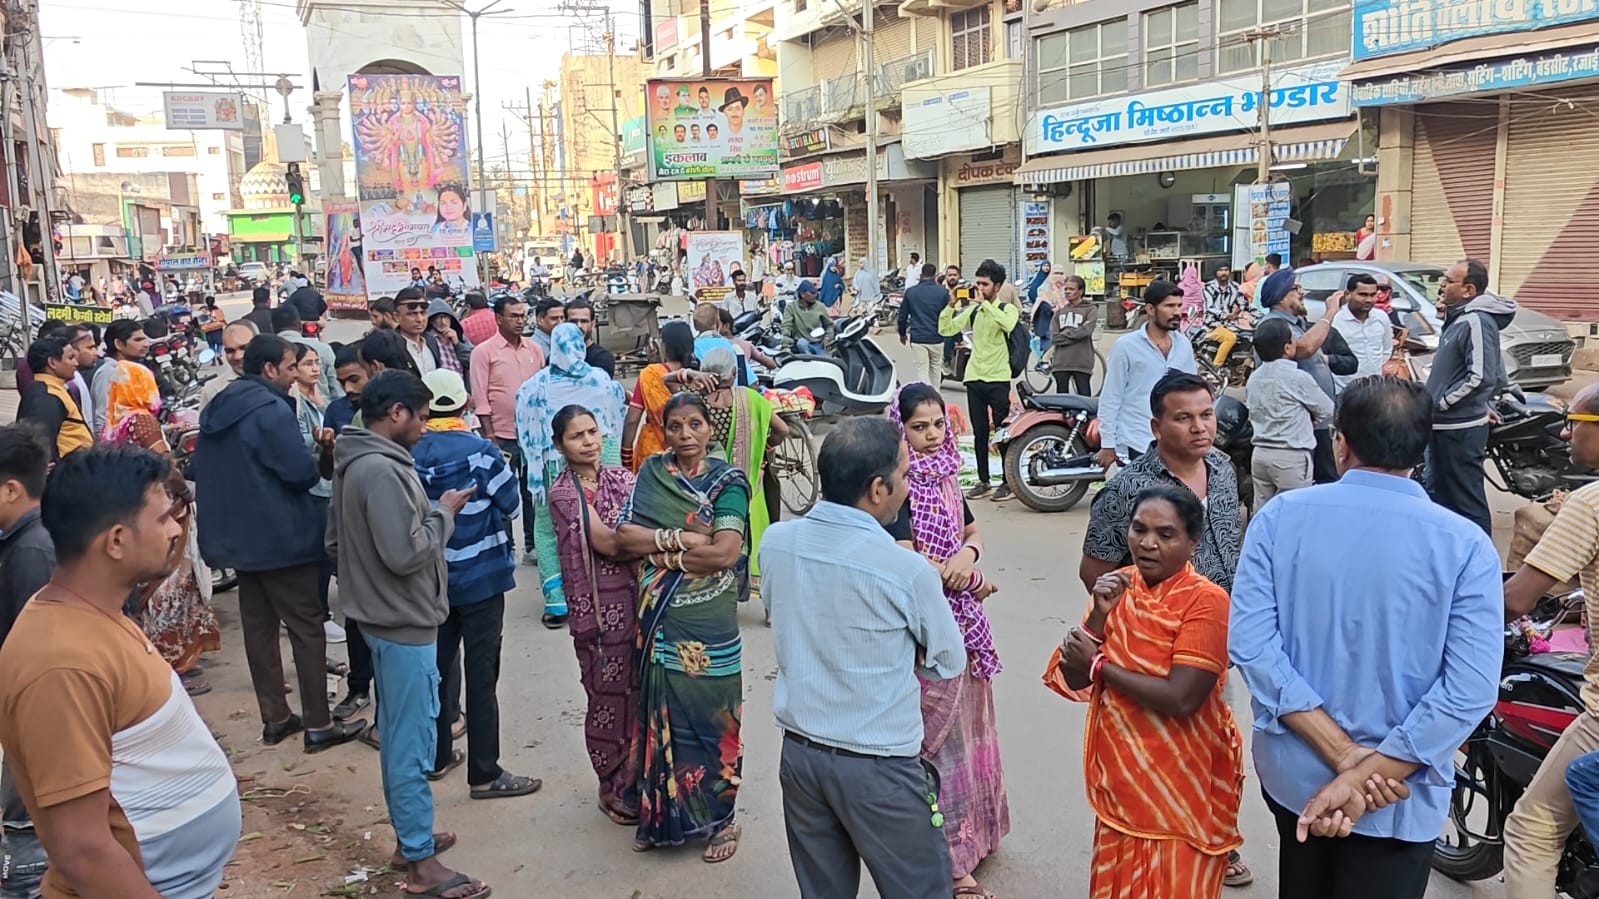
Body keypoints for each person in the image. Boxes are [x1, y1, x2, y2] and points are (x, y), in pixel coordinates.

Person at [1229, 376, 1501, 899]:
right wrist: (1364, 770)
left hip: (1296, 774)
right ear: (1421, 451)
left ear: (1340, 442)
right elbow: (1468, 689)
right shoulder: (1465, 545)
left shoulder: (1280, 518)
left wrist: (1343, 761)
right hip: (1398, 789)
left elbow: (1253, 645)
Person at [0, 445, 242, 898]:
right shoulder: (60, 663)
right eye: (162, 518)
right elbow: (83, 849)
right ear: (115, 541)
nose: (175, 529)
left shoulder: (97, 613)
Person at [760, 415, 966, 898]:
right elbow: (947, 660)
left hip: (802, 755)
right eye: (904, 474)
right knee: (920, 888)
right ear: (878, 489)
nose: (907, 485)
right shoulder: (906, 570)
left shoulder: (777, 543)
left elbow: (785, 611)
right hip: (880, 765)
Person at [326, 371, 490, 899]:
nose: (424, 427)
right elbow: (405, 553)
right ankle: (420, 864)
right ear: (396, 413)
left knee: (403, 732)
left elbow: (336, 542)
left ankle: (412, 839)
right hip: (403, 623)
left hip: (382, 618)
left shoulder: (356, 461)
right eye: (420, 416)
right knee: (412, 740)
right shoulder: (380, 470)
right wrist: (443, 513)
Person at [1048, 486, 1244, 898]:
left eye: (1166, 534)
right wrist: (1098, 618)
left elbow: (1182, 698)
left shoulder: (1207, 602)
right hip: (1122, 781)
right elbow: (1074, 674)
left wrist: (1100, 665)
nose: (1148, 543)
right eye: (1139, 529)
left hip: (1181, 783)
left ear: (1193, 543)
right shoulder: (1118, 588)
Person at [194, 335, 366, 752]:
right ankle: (319, 724)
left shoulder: (220, 404)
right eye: (290, 367)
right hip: (280, 536)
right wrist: (322, 450)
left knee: (260, 630)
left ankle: (275, 716)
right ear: (269, 369)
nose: (294, 376)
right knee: (307, 627)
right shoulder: (270, 407)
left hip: (239, 540)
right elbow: (299, 474)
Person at [612, 393, 748, 861]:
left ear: (711, 429)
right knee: (661, 711)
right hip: (660, 618)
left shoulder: (729, 481)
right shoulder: (653, 473)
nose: (686, 435)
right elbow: (622, 536)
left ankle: (721, 821)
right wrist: (681, 539)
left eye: (695, 424)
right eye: (675, 426)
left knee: (714, 715)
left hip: (709, 620)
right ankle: (662, 813)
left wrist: (658, 553)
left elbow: (725, 553)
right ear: (663, 430)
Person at [885, 383, 1009, 895]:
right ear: (901, 430)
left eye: (938, 424)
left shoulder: (948, 477)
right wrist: (962, 576)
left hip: (966, 623)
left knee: (972, 733)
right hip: (927, 632)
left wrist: (968, 560)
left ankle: (978, 834)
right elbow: (903, 556)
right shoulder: (898, 485)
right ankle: (953, 860)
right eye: (919, 427)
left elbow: (972, 533)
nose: (932, 435)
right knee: (937, 744)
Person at [411, 370, 542, 800]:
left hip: (433, 579)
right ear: (465, 402)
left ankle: (436, 757)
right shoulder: (483, 453)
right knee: (481, 678)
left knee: (436, 670)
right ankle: (485, 773)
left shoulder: (409, 453)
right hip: (483, 578)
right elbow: (509, 502)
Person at [1500, 380, 1599, 894]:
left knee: (1532, 827)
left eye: (1575, 424)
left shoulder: (1589, 504)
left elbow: (1518, 599)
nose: (1565, 433)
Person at [547, 404, 643, 825]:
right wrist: (652, 539)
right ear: (559, 444)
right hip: (601, 617)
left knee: (642, 695)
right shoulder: (564, 494)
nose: (588, 441)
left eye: (592, 432)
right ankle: (612, 786)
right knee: (608, 697)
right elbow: (607, 543)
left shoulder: (622, 479)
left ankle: (641, 781)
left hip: (640, 604)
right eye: (576, 435)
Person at [102, 359, 222, 691]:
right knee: (170, 589)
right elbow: (166, 467)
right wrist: (185, 493)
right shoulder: (143, 421)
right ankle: (173, 665)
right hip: (161, 511)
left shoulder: (117, 420)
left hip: (132, 511)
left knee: (148, 590)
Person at [1082, 372, 1242, 594]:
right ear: (1157, 428)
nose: (1199, 427)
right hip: (1160, 624)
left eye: (1206, 415)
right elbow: (1094, 575)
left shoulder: (1223, 471)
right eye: (1183, 418)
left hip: (1225, 618)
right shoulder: (1126, 490)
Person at [518, 322, 629, 629]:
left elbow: (524, 429)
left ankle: (557, 602)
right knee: (606, 521)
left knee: (548, 529)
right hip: (600, 460)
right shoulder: (601, 381)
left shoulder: (534, 386)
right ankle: (605, 587)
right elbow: (616, 420)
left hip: (551, 465)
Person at [1425, 258, 1514, 536]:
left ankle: (1479, 565)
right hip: (1442, 427)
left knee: (1466, 502)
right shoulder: (1459, 319)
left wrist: (1443, 403)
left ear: (1468, 290)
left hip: (1458, 431)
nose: (1442, 285)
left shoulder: (1476, 320)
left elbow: (1482, 376)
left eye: (1449, 280)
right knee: (1442, 501)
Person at [695, 347, 786, 601]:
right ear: (734, 373)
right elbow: (783, 430)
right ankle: (767, 604)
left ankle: (718, 595)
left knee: (715, 544)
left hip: (707, 489)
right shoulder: (751, 398)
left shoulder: (697, 404)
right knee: (757, 543)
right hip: (749, 485)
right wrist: (766, 447)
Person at [1257, 268, 1356, 484]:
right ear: (1281, 296)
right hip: (1298, 430)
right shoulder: (1273, 325)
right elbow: (1304, 348)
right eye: (1296, 288)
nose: (1302, 293)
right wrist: (1330, 313)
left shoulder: (1295, 325)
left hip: (1314, 426)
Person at [469, 295, 545, 565]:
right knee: (501, 492)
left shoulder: (534, 350)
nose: (520, 320)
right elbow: (480, 398)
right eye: (514, 316)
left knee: (531, 492)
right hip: (500, 436)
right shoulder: (484, 352)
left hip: (533, 436)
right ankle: (505, 546)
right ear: (499, 318)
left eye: (523, 315)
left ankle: (532, 546)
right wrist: (489, 437)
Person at [939, 259, 1020, 502]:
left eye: (985, 284)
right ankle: (984, 480)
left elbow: (1008, 325)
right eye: (978, 283)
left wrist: (987, 305)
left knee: (1002, 432)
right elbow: (946, 329)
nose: (980, 288)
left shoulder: (1006, 309)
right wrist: (950, 306)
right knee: (980, 433)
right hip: (974, 378)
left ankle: (1008, 481)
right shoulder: (973, 310)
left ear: (997, 286)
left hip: (998, 378)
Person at [1096, 281, 1197, 466]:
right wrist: (1108, 444)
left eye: (1179, 305)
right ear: (1150, 309)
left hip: (1175, 441)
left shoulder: (1183, 345)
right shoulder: (1126, 346)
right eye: (1169, 306)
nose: (1177, 312)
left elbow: (1191, 394)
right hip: (1137, 441)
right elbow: (1111, 397)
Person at [1246, 318, 1334, 508]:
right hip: (1290, 456)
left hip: (1260, 454)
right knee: (1294, 513)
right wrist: (1312, 420)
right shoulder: (1297, 377)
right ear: (1287, 348)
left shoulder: (1253, 379)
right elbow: (1327, 409)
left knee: (1264, 513)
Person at [16, 338, 91, 462]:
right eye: (71, 358)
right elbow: (39, 443)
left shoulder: (52, 389)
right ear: (52, 362)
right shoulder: (47, 396)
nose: (76, 363)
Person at [1331, 273, 1395, 391]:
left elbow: (1386, 349)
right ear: (1348, 295)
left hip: (1375, 389)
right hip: (1345, 390)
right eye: (1363, 295)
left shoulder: (1381, 318)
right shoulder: (1335, 321)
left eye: (1372, 295)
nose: (1368, 300)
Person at [274, 304, 340, 400]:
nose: (315, 369)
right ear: (299, 325)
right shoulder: (323, 348)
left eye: (316, 363)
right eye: (308, 364)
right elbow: (337, 390)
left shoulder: (269, 351)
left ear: (272, 327)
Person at [898, 263, 950, 385]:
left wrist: (902, 333)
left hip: (918, 338)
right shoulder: (943, 292)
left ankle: (927, 395)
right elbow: (948, 315)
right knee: (936, 369)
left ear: (921, 275)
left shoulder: (910, 292)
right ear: (935, 276)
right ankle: (935, 396)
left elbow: (902, 317)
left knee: (922, 369)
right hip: (937, 337)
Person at [1051, 275, 1097, 395]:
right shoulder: (1059, 312)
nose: (1067, 292)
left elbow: (1087, 330)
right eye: (1066, 289)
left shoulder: (1090, 309)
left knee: (1084, 401)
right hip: (1061, 363)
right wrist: (1076, 335)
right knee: (1062, 403)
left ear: (1080, 291)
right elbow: (1055, 337)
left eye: (1071, 289)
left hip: (1081, 362)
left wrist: (1065, 334)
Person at [1201, 264, 1251, 366]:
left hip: (1229, 325)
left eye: (1226, 270)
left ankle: (1236, 369)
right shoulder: (1208, 288)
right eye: (1220, 270)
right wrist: (1225, 315)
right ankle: (1215, 368)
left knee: (1249, 336)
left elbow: (1244, 303)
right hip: (1212, 325)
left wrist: (1257, 314)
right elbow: (1209, 307)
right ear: (1216, 272)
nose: (1224, 273)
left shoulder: (1235, 287)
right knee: (1230, 338)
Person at [199, 321, 256, 408]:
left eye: (243, 348)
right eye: (230, 351)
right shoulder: (212, 391)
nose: (237, 356)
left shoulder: (278, 381)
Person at [563, 296, 616, 379]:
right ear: (565, 324)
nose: (579, 326)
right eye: (573, 321)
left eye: (584, 321)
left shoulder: (603, 358)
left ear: (593, 324)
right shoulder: (557, 357)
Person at [780, 280, 834, 355]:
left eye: (816, 292)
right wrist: (786, 345)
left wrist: (827, 338)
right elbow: (786, 326)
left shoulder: (820, 306)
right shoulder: (791, 307)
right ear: (802, 294)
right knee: (801, 343)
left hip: (818, 344)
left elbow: (829, 325)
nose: (815, 295)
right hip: (801, 344)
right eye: (812, 293)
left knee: (828, 362)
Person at [425, 298, 474, 377]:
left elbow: (474, 361)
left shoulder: (459, 337)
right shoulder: (427, 340)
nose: (443, 322)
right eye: (439, 318)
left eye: (446, 317)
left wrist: (458, 344)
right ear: (431, 320)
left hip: (461, 386)